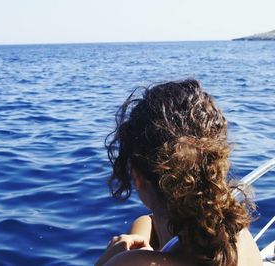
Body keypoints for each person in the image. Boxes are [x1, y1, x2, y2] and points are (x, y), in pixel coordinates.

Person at [96, 79, 262, 266]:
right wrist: (137, 237)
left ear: (137, 176)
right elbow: (148, 221)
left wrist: (109, 257)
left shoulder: (129, 263)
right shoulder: (238, 236)